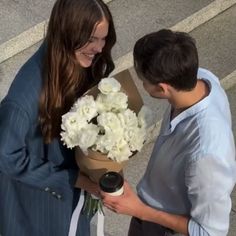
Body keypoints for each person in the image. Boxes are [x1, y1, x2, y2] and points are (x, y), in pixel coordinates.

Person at [101, 29, 236, 236]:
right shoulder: (200, 78)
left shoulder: (207, 152)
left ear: (163, 89)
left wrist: (140, 210)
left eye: (143, 80)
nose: (142, 85)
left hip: (166, 229)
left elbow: (210, 232)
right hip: (150, 212)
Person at [0, 0, 116, 235]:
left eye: (103, 39)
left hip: (68, 202)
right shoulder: (24, 97)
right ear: (68, 33)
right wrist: (74, 179)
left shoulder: (75, 61)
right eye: (92, 39)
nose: (100, 48)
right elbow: (5, 156)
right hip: (37, 210)